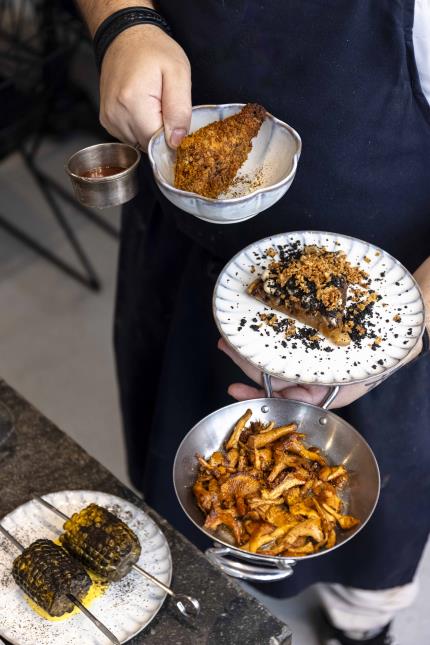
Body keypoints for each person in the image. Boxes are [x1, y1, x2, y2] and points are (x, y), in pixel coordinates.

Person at [77, 2, 430, 643]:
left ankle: (362, 620)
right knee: (184, 472)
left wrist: (406, 334)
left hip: (390, 297)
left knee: (367, 516)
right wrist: (121, 21)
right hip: (184, 239)